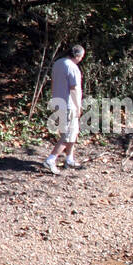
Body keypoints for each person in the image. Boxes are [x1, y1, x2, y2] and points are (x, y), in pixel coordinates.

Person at [44, 44, 86, 174]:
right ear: (78, 56)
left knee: (73, 131)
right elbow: (74, 89)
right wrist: (78, 106)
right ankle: (51, 159)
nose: (81, 59)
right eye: (82, 56)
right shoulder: (72, 67)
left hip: (58, 101)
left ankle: (69, 159)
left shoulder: (58, 63)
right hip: (69, 105)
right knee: (67, 135)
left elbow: (52, 82)